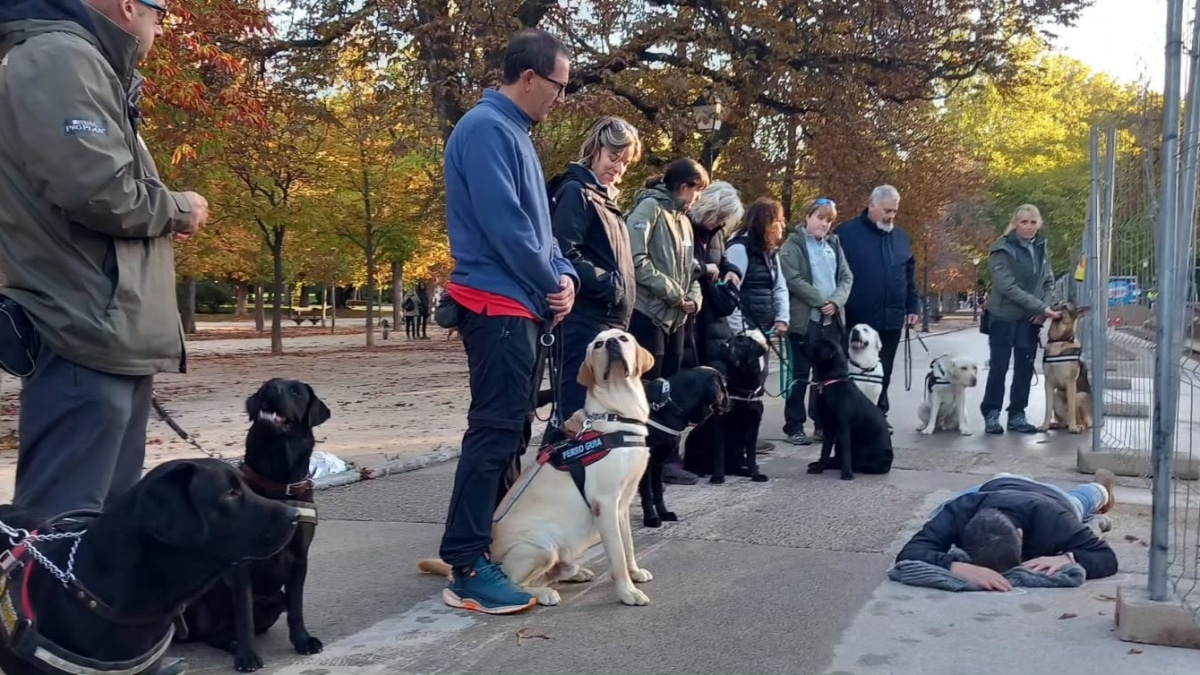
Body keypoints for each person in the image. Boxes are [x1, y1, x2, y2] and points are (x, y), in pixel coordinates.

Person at [0, 0, 208, 516]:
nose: (161, 26)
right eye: (160, 14)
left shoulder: (83, 59)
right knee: (57, 534)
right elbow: (98, 190)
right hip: (83, 325)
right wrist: (180, 209)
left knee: (100, 538)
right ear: (128, 7)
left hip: (106, 326)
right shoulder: (58, 57)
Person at [438, 28, 577, 615]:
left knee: (507, 434)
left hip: (517, 304)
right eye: (558, 86)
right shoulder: (487, 129)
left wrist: (563, 273)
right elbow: (508, 229)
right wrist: (552, 282)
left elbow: (539, 231)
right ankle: (467, 564)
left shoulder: (512, 132)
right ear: (529, 77)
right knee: (494, 434)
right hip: (496, 305)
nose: (560, 98)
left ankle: (483, 550)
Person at [542, 116, 642, 439]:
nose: (619, 168)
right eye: (615, 158)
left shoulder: (603, 197)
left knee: (594, 415)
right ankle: (562, 479)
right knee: (575, 413)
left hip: (605, 323)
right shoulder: (577, 192)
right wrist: (609, 285)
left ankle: (580, 481)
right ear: (597, 149)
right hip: (583, 323)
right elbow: (563, 252)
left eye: (625, 162)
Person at [625, 158, 709, 485]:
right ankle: (640, 463)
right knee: (649, 391)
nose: (698, 198)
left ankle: (666, 459)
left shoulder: (684, 220)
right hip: (649, 314)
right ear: (683, 186)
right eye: (697, 190)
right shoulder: (649, 209)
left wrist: (694, 297)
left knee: (670, 392)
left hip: (677, 319)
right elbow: (636, 260)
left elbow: (693, 270)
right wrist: (675, 294)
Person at [895, 470, 1118, 591]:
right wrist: (957, 566)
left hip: (1051, 498)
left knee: (1081, 501)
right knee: (940, 511)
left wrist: (1069, 558)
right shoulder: (961, 511)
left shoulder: (1053, 520)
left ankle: (1098, 488)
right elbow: (909, 553)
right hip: (990, 490)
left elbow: (1106, 557)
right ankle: (1006, 476)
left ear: (1020, 535)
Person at [836, 185, 919, 425]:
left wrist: (912, 307)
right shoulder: (847, 233)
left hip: (891, 317)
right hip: (856, 317)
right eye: (886, 210)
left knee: (885, 368)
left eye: (894, 211)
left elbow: (909, 276)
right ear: (871, 205)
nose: (891, 216)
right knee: (849, 369)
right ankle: (842, 417)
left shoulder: (901, 237)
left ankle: (878, 414)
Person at [778, 197, 854, 446]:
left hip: (831, 320)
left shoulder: (834, 243)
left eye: (829, 220)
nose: (824, 224)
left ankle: (822, 423)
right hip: (805, 319)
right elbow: (793, 278)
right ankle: (794, 425)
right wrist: (821, 301)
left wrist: (836, 302)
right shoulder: (793, 244)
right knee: (800, 374)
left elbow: (846, 276)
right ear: (808, 216)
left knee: (828, 375)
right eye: (820, 218)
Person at [980, 204, 1057, 435]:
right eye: (1024, 222)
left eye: (1033, 222)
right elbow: (1008, 287)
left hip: (1029, 320)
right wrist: (1040, 306)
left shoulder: (1041, 247)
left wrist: (1041, 310)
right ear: (1015, 223)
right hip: (1003, 317)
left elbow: (1048, 281)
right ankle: (992, 414)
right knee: (999, 367)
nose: (1029, 227)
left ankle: (1017, 415)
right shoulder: (1002, 249)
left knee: (1024, 368)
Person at [683, 181, 744, 368]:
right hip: (690, 309)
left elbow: (721, 259)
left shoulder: (716, 233)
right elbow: (680, 262)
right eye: (719, 216)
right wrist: (705, 268)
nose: (720, 222)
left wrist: (732, 271)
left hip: (712, 315)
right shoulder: (685, 226)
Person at [724, 197, 789, 341]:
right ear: (767, 224)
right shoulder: (739, 249)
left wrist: (781, 318)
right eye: (779, 221)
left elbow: (779, 286)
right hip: (746, 336)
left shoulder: (770, 252)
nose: (783, 226)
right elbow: (730, 294)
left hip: (764, 332)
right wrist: (743, 331)